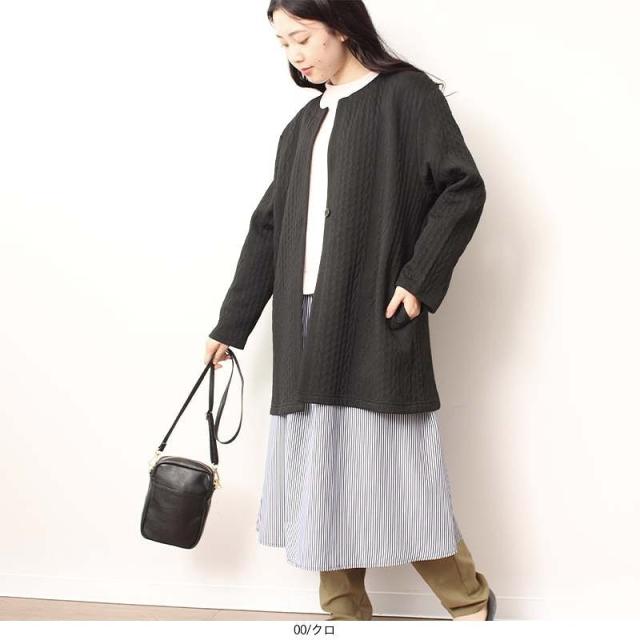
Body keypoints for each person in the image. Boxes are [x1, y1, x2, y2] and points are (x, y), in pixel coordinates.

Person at [204, 0, 496, 622]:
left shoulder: (406, 97)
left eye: (301, 37)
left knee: (396, 470)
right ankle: (342, 616)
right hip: (303, 321)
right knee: (321, 473)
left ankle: (469, 601)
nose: (295, 55)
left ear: (339, 25)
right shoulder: (302, 126)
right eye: (283, 44)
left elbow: (462, 187)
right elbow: (268, 229)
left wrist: (417, 280)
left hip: (371, 313)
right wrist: (231, 326)